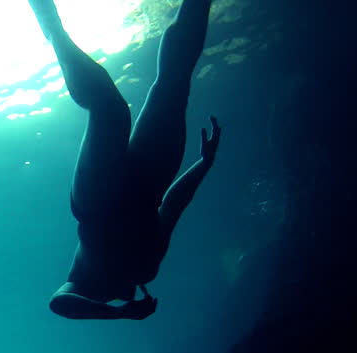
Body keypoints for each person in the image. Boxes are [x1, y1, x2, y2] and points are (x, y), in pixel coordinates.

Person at [28, 0, 222, 320]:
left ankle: (53, 28)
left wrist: (120, 313)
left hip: (98, 203)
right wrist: (203, 164)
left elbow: (59, 303)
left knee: (110, 110)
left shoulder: (93, 286)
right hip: (147, 189)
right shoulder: (146, 269)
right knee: (173, 85)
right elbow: (172, 206)